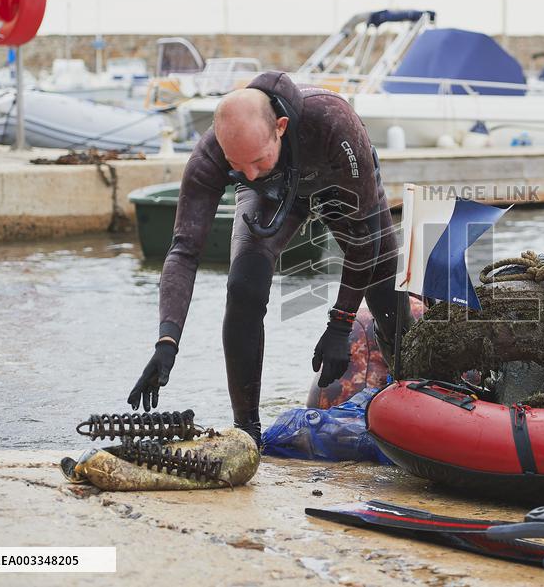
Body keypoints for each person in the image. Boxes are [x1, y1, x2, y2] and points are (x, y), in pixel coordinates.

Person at [127, 71, 411, 445]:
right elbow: (183, 250)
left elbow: (363, 239)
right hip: (272, 196)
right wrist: (167, 341)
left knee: (384, 289)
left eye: (257, 160)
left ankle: (413, 392)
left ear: (280, 127)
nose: (248, 173)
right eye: (237, 167)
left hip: (337, 183)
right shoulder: (215, 156)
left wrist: (340, 324)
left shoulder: (331, 121)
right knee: (243, 288)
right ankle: (247, 430)